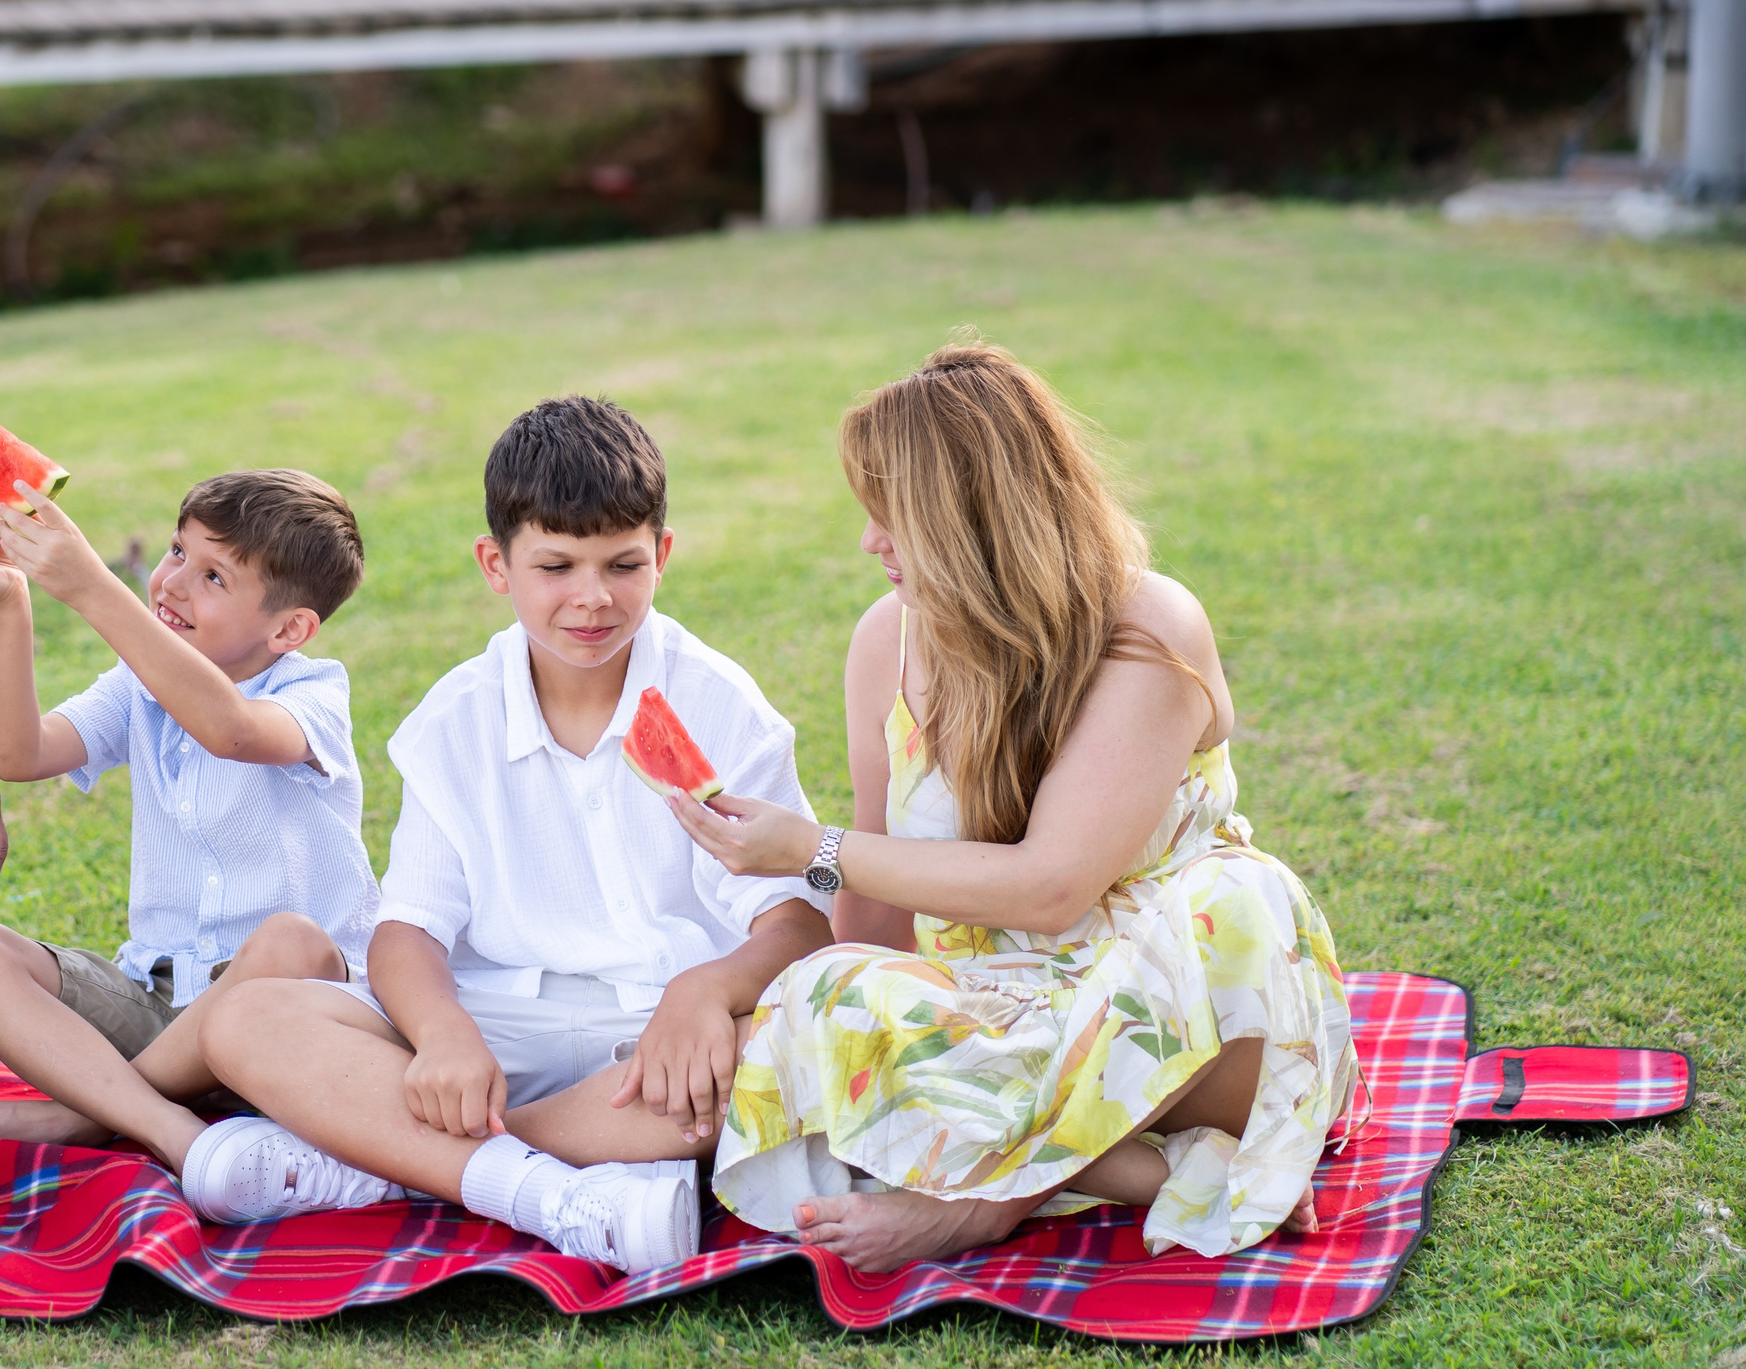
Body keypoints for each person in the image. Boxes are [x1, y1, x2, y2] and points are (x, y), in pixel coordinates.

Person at [663, 337, 1358, 1269]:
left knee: (1236, 901)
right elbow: (871, 913)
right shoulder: (888, 643)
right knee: (820, 994)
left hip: (1183, 1024)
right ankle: (1142, 1174)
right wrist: (818, 1010)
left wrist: (809, 847)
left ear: (971, 521)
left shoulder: (1150, 625)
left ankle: (985, 1199)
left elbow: (1050, 887)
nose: (871, 543)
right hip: (1005, 1010)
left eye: (891, 518)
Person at [184, 397, 835, 1273]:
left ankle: (395, 1163)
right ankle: (558, 1190)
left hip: (657, 1049)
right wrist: (445, 1031)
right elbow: (408, 929)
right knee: (249, 1017)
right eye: (556, 566)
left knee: (798, 1049)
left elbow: (797, 924)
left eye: (623, 564)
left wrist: (705, 993)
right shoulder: (454, 716)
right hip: (492, 1040)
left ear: (665, 555)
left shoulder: (720, 702)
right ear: (497, 564)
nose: (593, 598)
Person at [0, 469, 381, 1172]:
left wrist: (90, 587)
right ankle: (168, 1126)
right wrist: (11, 602)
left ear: (289, 628)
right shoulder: (137, 685)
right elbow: (18, 753)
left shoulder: (313, 694)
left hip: (285, 1015)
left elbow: (229, 728)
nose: (171, 582)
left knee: (294, 941)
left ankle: (87, 1115)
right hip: (158, 999)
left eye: (215, 578)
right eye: (176, 551)